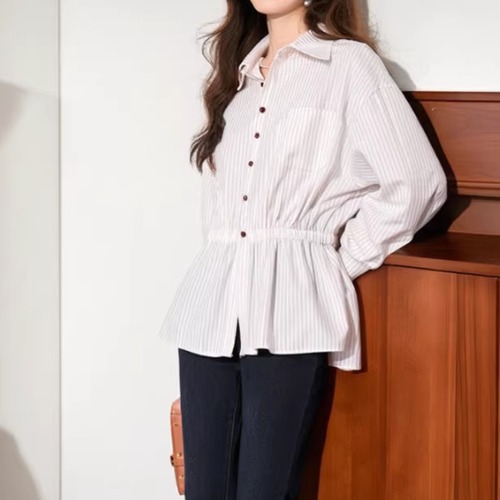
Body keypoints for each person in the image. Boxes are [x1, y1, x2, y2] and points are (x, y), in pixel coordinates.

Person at [158, 0, 448, 498]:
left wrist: (335, 264)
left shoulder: (348, 65)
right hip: (209, 314)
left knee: (264, 490)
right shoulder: (235, 78)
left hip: (288, 314)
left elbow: (418, 182)